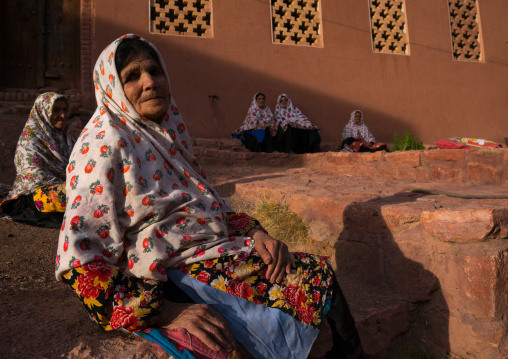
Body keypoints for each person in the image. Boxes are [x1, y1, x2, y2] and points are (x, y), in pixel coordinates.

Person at [55, 34, 363, 359]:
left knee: (313, 272)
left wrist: (257, 233)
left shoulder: (164, 134)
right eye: (132, 76)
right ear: (112, 87)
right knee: (229, 338)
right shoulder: (103, 146)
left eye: (155, 71)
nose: (149, 83)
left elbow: (208, 204)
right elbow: (80, 260)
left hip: (211, 254)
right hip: (165, 277)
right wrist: (165, 311)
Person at [0, 92, 75, 228]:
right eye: (56, 110)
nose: (63, 115)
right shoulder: (30, 141)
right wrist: (71, 185)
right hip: (33, 194)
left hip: (66, 186)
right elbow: (35, 177)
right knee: (71, 195)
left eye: (65, 110)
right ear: (43, 112)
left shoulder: (67, 139)